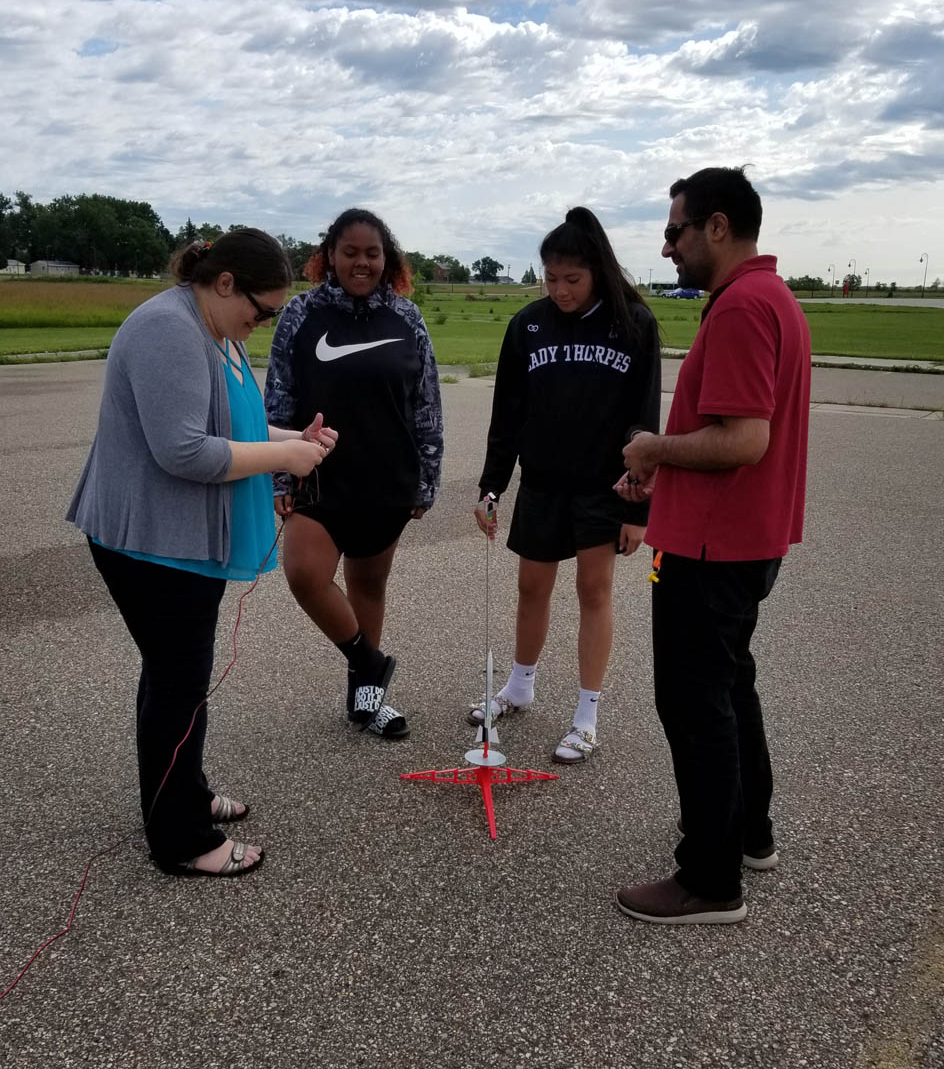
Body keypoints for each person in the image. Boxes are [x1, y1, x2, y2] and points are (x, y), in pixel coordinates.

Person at [67, 231, 335, 878]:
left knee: (175, 680)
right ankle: (180, 840)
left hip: (177, 542)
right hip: (149, 544)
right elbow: (185, 451)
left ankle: (182, 795)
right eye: (261, 310)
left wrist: (289, 437)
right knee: (179, 683)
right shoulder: (167, 330)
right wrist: (287, 457)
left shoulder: (215, 331)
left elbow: (230, 429)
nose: (262, 324)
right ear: (224, 284)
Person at [613, 167, 811, 925]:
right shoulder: (773, 299)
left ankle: (709, 879)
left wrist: (655, 449)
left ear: (717, 227)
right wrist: (663, 479)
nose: (667, 248)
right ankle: (747, 832)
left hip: (710, 549)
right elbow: (737, 441)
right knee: (730, 687)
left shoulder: (739, 308)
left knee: (695, 704)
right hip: (742, 535)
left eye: (675, 231)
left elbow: (742, 439)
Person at [470, 207, 661, 762]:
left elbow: (643, 418)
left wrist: (638, 509)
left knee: (594, 592)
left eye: (572, 280)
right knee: (531, 587)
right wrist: (491, 487)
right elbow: (507, 415)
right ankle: (520, 686)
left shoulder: (633, 324)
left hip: (605, 489)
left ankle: (586, 713)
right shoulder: (527, 326)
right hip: (543, 483)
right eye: (550, 279)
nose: (559, 290)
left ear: (597, 271)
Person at [265, 209, 443, 740]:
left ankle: (368, 700)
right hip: (316, 474)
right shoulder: (300, 314)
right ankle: (371, 663)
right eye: (351, 252)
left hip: (388, 477)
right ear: (330, 256)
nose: (361, 263)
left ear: (387, 259)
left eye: (372, 253)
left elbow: (427, 403)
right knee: (304, 575)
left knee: (368, 585)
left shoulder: (407, 318)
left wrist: (427, 476)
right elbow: (278, 396)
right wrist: (278, 473)